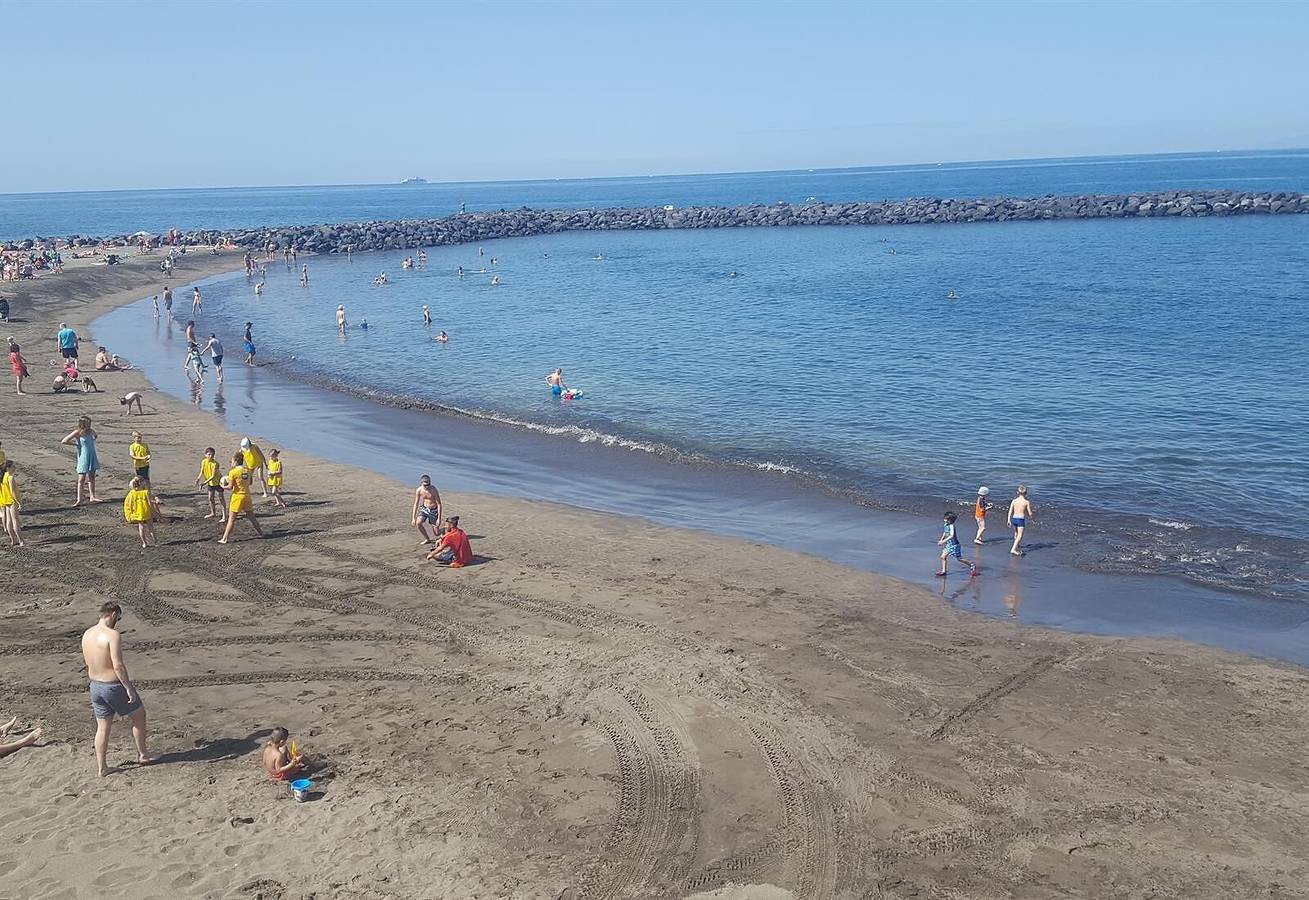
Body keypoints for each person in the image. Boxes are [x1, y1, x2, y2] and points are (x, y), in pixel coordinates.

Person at [82, 601, 158, 777]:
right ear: (114, 614)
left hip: (95, 685)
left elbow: (87, 662)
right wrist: (128, 688)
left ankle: (102, 768)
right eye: (119, 618)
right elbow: (118, 665)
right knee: (139, 715)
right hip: (112, 685)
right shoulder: (112, 635)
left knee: (102, 727)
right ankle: (143, 754)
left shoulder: (87, 634)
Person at [219, 451, 264, 544]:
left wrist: (223, 486)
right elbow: (250, 483)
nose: (231, 463)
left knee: (231, 519)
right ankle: (261, 533)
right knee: (252, 517)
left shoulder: (233, 472)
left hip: (237, 497)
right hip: (247, 496)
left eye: (232, 461)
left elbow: (230, 487)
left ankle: (224, 538)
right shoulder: (247, 470)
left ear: (235, 461)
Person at [60, 416, 102, 506]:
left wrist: (93, 434)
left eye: (90, 423)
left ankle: (92, 496)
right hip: (83, 456)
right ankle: (79, 499)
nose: (89, 425)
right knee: (81, 479)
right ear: (82, 424)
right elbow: (64, 441)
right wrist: (75, 444)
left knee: (92, 477)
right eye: (87, 423)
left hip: (92, 455)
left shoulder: (90, 431)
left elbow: (96, 436)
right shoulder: (78, 432)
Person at [123, 476, 161, 549]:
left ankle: (144, 543)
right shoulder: (145, 492)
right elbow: (149, 503)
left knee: (141, 528)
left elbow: (130, 504)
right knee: (151, 528)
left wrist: (132, 512)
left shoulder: (133, 493)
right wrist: (154, 510)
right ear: (142, 483)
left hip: (138, 512)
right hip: (146, 511)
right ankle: (156, 542)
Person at [936, 511, 978, 578]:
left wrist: (943, 541)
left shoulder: (951, 526)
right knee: (943, 557)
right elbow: (945, 533)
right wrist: (941, 539)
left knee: (959, 559)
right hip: (948, 544)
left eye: (946, 519)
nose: (944, 520)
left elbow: (951, 535)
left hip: (954, 545)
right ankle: (943, 571)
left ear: (950, 520)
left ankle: (972, 565)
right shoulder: (945, 525)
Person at [196, 447, 226, 522]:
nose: (210, 456)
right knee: (210, 498)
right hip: (210, 483)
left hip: (218, 482)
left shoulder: (215, 464)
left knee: (221, 498)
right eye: (209, 454)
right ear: (205, 454)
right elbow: (202, 471)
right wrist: (198, 478)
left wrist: (204, 483)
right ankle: (213, 513)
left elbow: (213, 476)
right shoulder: (203, 461)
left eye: (212, 455)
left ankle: (224, 516)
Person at [412, 474, 443, 544]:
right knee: (418, 523)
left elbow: (439, 504)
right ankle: (427, 539)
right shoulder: (419, 490)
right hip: (424, 509)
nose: (427, 486)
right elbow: (416, 504)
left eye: (429, 484)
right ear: (422, 483)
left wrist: (439, 519)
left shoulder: (434, 490)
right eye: (425, 485)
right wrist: (413, 518)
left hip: (433, 510)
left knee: (436, 533)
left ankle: (443, 530)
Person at [0, 460, 24, 547]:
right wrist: (19, 502)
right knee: (15, 521)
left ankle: (13, 540)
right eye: (13, 467)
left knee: (8, 522)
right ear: (8, 468)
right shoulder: (10, 477)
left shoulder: (2, 477)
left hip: (5, 501)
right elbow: (13, 491)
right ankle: (21, 541)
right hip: (12, 501)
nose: (15, 468)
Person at [1008, 485, 1034, 556]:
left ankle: (1017, 545)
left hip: (1014, 519)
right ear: (1026, 493)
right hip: (1020, 519)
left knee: (1016, 533)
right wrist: (1032, 516)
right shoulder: (1026, 502)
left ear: (1017, 492)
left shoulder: (1014, 501)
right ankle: (1013, 549)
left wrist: (1008, 520)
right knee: (1020, 535)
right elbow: (1029, 513)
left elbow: (1010, 511)